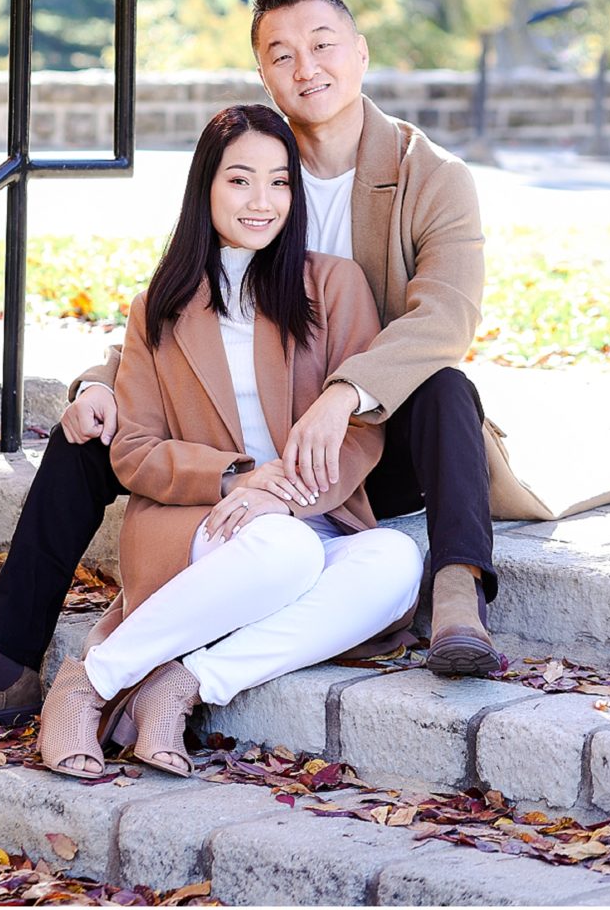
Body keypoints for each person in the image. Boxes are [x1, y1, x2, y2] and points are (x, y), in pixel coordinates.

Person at [0, 0, 610, 738]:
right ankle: (4, 663)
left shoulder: (429, 177)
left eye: (322, 45)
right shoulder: (257, 160)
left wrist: (343, 395)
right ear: (262, 71)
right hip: (239, 436)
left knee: (446, 389)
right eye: (282, 55)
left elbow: (446, 316)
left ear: (360, 54)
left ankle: (458, 592)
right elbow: (180, 298)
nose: (307, 69)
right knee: (85, 430)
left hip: (373, 436)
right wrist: (101, 382)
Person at [36, 103, 423, 780]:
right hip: (197, 518)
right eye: (240, 181)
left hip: (308, 519)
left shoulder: (332, 287)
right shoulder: (159, 305)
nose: (262, 201)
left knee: (394, 558)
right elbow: (134, 451)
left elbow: (360, 431)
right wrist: (237, 479)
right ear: (205, 188)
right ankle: (88, 685)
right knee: (282, 550)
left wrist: (287, 499)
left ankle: (183, 684)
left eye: (279, 182)